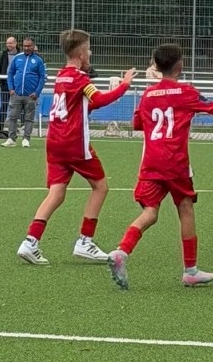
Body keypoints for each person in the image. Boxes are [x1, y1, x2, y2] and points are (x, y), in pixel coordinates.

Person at [106, 45, 213, 290]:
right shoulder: (186, 91)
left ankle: (122, 251)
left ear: (156, 66)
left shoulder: (148, 94)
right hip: (175, 163)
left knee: (150, 212)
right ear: (180, 65)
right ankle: (190, 270)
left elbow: (137, 124)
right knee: (185, 207)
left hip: (151, 162)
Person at [15, 29, 136, 265]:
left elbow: (79, 105)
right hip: (73, 143)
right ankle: (85, 241)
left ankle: (30, 241)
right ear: (81, 54)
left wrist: (107, 95)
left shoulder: (61, 76)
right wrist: (124, 85)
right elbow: (98, 100)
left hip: (55, 142)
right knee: (100, 187)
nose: (90, 53)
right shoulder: (80, 79)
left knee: (56, 193)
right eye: (88, 49)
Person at [3, 37, 48, 147]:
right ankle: (11, 138)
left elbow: (42, 78)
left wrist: (37, 92)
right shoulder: (17, 58)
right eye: (25, 46)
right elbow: (10, 73)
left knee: (29, 118)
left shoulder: (38, 60)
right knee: (13, 117)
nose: (26, 48)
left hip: (31, 96)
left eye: (29, 46)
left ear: (33, 46)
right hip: (16, 94)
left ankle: (26, 139)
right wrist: (11, 88)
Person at [0, 35, 19, 132]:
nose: (8, 45)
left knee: (17, 106)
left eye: (10, 43)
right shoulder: (4, 54)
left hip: (17, 84)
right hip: (5, 84)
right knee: (4, 105)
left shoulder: (20, 55)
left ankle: (14, 127)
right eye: (7, 43)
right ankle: (0, 127)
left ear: (15, 43)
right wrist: (0, 81)